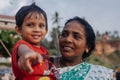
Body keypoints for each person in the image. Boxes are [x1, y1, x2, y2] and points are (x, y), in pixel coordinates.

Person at [12, 3, 59, 80]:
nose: (37, 30)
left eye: (41, 26)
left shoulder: (44, 51)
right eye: (30, 25)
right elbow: (23, 50)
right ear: (19, 30)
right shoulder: (21, 45)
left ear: (46, 31)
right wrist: (27, 53)